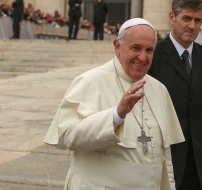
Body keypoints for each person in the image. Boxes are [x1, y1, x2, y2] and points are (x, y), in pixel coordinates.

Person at [44, 18, 185, 190]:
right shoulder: (90, 81)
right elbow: (69, 136)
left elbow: (165, 156)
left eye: (149, 50)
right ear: (117, 46)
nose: (143, 57)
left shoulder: (159, 90)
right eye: (136, 48)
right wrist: (116, 116)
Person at [148, 0, 202, 190]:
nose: (192, 26)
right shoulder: (152, 56)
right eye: (186, 18)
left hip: (198, 164)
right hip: (161, 160)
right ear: (172, 17)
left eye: (197, 20)